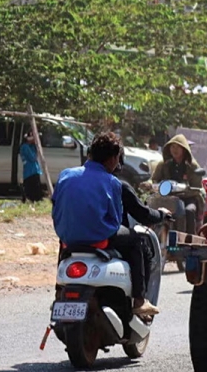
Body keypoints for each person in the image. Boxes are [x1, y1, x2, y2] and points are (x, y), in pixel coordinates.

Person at [52, 132, 159, 317]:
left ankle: (58, 292)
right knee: (136, 242)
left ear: (90, 154)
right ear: (112, 159)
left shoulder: (65, 175)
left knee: (63, 247)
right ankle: (140, 301)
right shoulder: (112, 182)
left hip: (67, 236)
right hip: (99, 237)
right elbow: (115, 219)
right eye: (117, 158)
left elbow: (56, 204)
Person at [152, 134, 207, 231]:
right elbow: (154, 179)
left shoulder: (192, 166)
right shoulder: (163, 164)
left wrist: (185, 191)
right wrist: (148, 184)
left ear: (184, 149)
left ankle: (190, 239)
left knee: (189, 211)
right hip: (167, 198)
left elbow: (197, 187)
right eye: (172, 147)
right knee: (151, 208)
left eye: (178, 147)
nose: (175, 150)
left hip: (188, 199)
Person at [20, 131, 44, 202]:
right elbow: (32, 158)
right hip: (30, 171)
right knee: (31, 189)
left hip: (35, 170)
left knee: (37, 188)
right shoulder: (25, 147)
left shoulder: (32, 146)